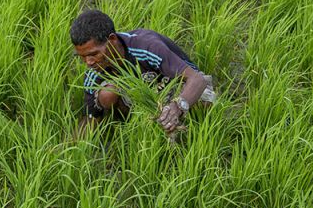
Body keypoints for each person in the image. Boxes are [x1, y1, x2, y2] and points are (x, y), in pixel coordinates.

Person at [70, 9, 216, 134]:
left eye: (93, 54)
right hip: (146, 97)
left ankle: (197, 133)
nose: (88, 62)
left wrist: (176, 107)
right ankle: (140, 127)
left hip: (177, 87)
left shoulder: (147, 47)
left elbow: (197, 80)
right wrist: (70, 150)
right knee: (107, 93)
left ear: (112, 39)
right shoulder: (94, 72)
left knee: (203, 102)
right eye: (82, 57)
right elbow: (91, 119)